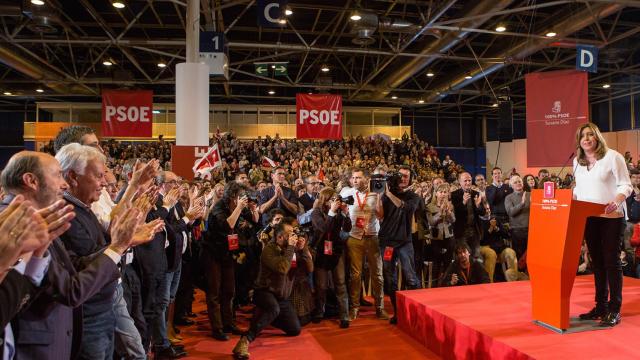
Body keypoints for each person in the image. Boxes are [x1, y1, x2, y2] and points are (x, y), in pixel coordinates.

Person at [573, 123, 632, 327]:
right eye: (583, 136)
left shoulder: (613, 157)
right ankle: (601, 306)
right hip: (589, 218)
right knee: (596, 263)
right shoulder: (577, 162)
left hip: (612, 217)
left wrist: (617, 200)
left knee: (611, 262)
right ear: (579, 141)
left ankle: (614, 309)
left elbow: (626, 184)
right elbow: (579, 190)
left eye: (590, 135)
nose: (587, 139)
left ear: (597, 137)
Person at [232, 219, 304, 359]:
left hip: (281, 297)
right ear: (279, 237)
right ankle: (246, 339)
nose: (293, 236)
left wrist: (303, 249)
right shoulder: (268, 250)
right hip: (264, 292)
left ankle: (262, 316)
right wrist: (291, 248)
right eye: (290, 234)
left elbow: (309, 268)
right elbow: (283, 268)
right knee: (273, 309)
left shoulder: (291, 248)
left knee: (295, 329)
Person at [377, 166, 421, 324]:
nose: (403, 179)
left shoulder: (413, 196)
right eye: (400, 176)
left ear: (410, 179)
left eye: (406, 176)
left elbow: (406, 207)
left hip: (404, 242)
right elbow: (379, 215)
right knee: (390, 278)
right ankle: (398, 313)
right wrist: (378, 196)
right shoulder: (384, 194)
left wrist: (388, 194)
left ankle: (416, 311)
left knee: (410, 276)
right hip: (387, 243)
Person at [343, 168, 388, 321]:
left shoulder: (376, 194)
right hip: (354, 238)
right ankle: (354, 308)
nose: (355, 180)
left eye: (358, 177)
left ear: (367, 179)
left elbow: (381, 216)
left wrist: (379, 200)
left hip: (373, 238)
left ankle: (380, 308)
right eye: (353, 178)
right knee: (355, 275)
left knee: (378, 275)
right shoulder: (346, 193)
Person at [310, 187, 351, 328]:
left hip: (336, 251)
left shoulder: (339, 212)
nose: (336, 202)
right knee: (321, 285)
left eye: (336, 199)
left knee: (340, 283)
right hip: (321, 251)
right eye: (332, 199)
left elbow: (347, 228)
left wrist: (346, 215)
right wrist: (332, 212)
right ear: (325, 200)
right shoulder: (316, 213)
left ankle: (344, 314)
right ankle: (319, 311)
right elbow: (323, 228)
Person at [426, 183, 456, 285]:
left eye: (445, 192)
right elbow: (431, 222)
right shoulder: (430, 206)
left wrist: (449, 212)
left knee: (448, 264)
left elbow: (453, 220)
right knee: (436, 265)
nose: (443, 194)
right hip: (436, 239)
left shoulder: (451, 205)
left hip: (449, 237)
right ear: (436, 194)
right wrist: (440, 213)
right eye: (441, 192)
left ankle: (447, 286)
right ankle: (434, 287)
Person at [505, 175, 531, 259]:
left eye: (519, 181)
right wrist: (522, 204)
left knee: (531, 254)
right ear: (511, 185)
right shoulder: (509, 197)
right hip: (517, 230)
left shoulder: (531, 194)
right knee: (520, 256)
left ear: (523, 183)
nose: (518, 183)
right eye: (515, 182)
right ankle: (520, 272)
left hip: (532, 229)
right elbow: (510, 212)